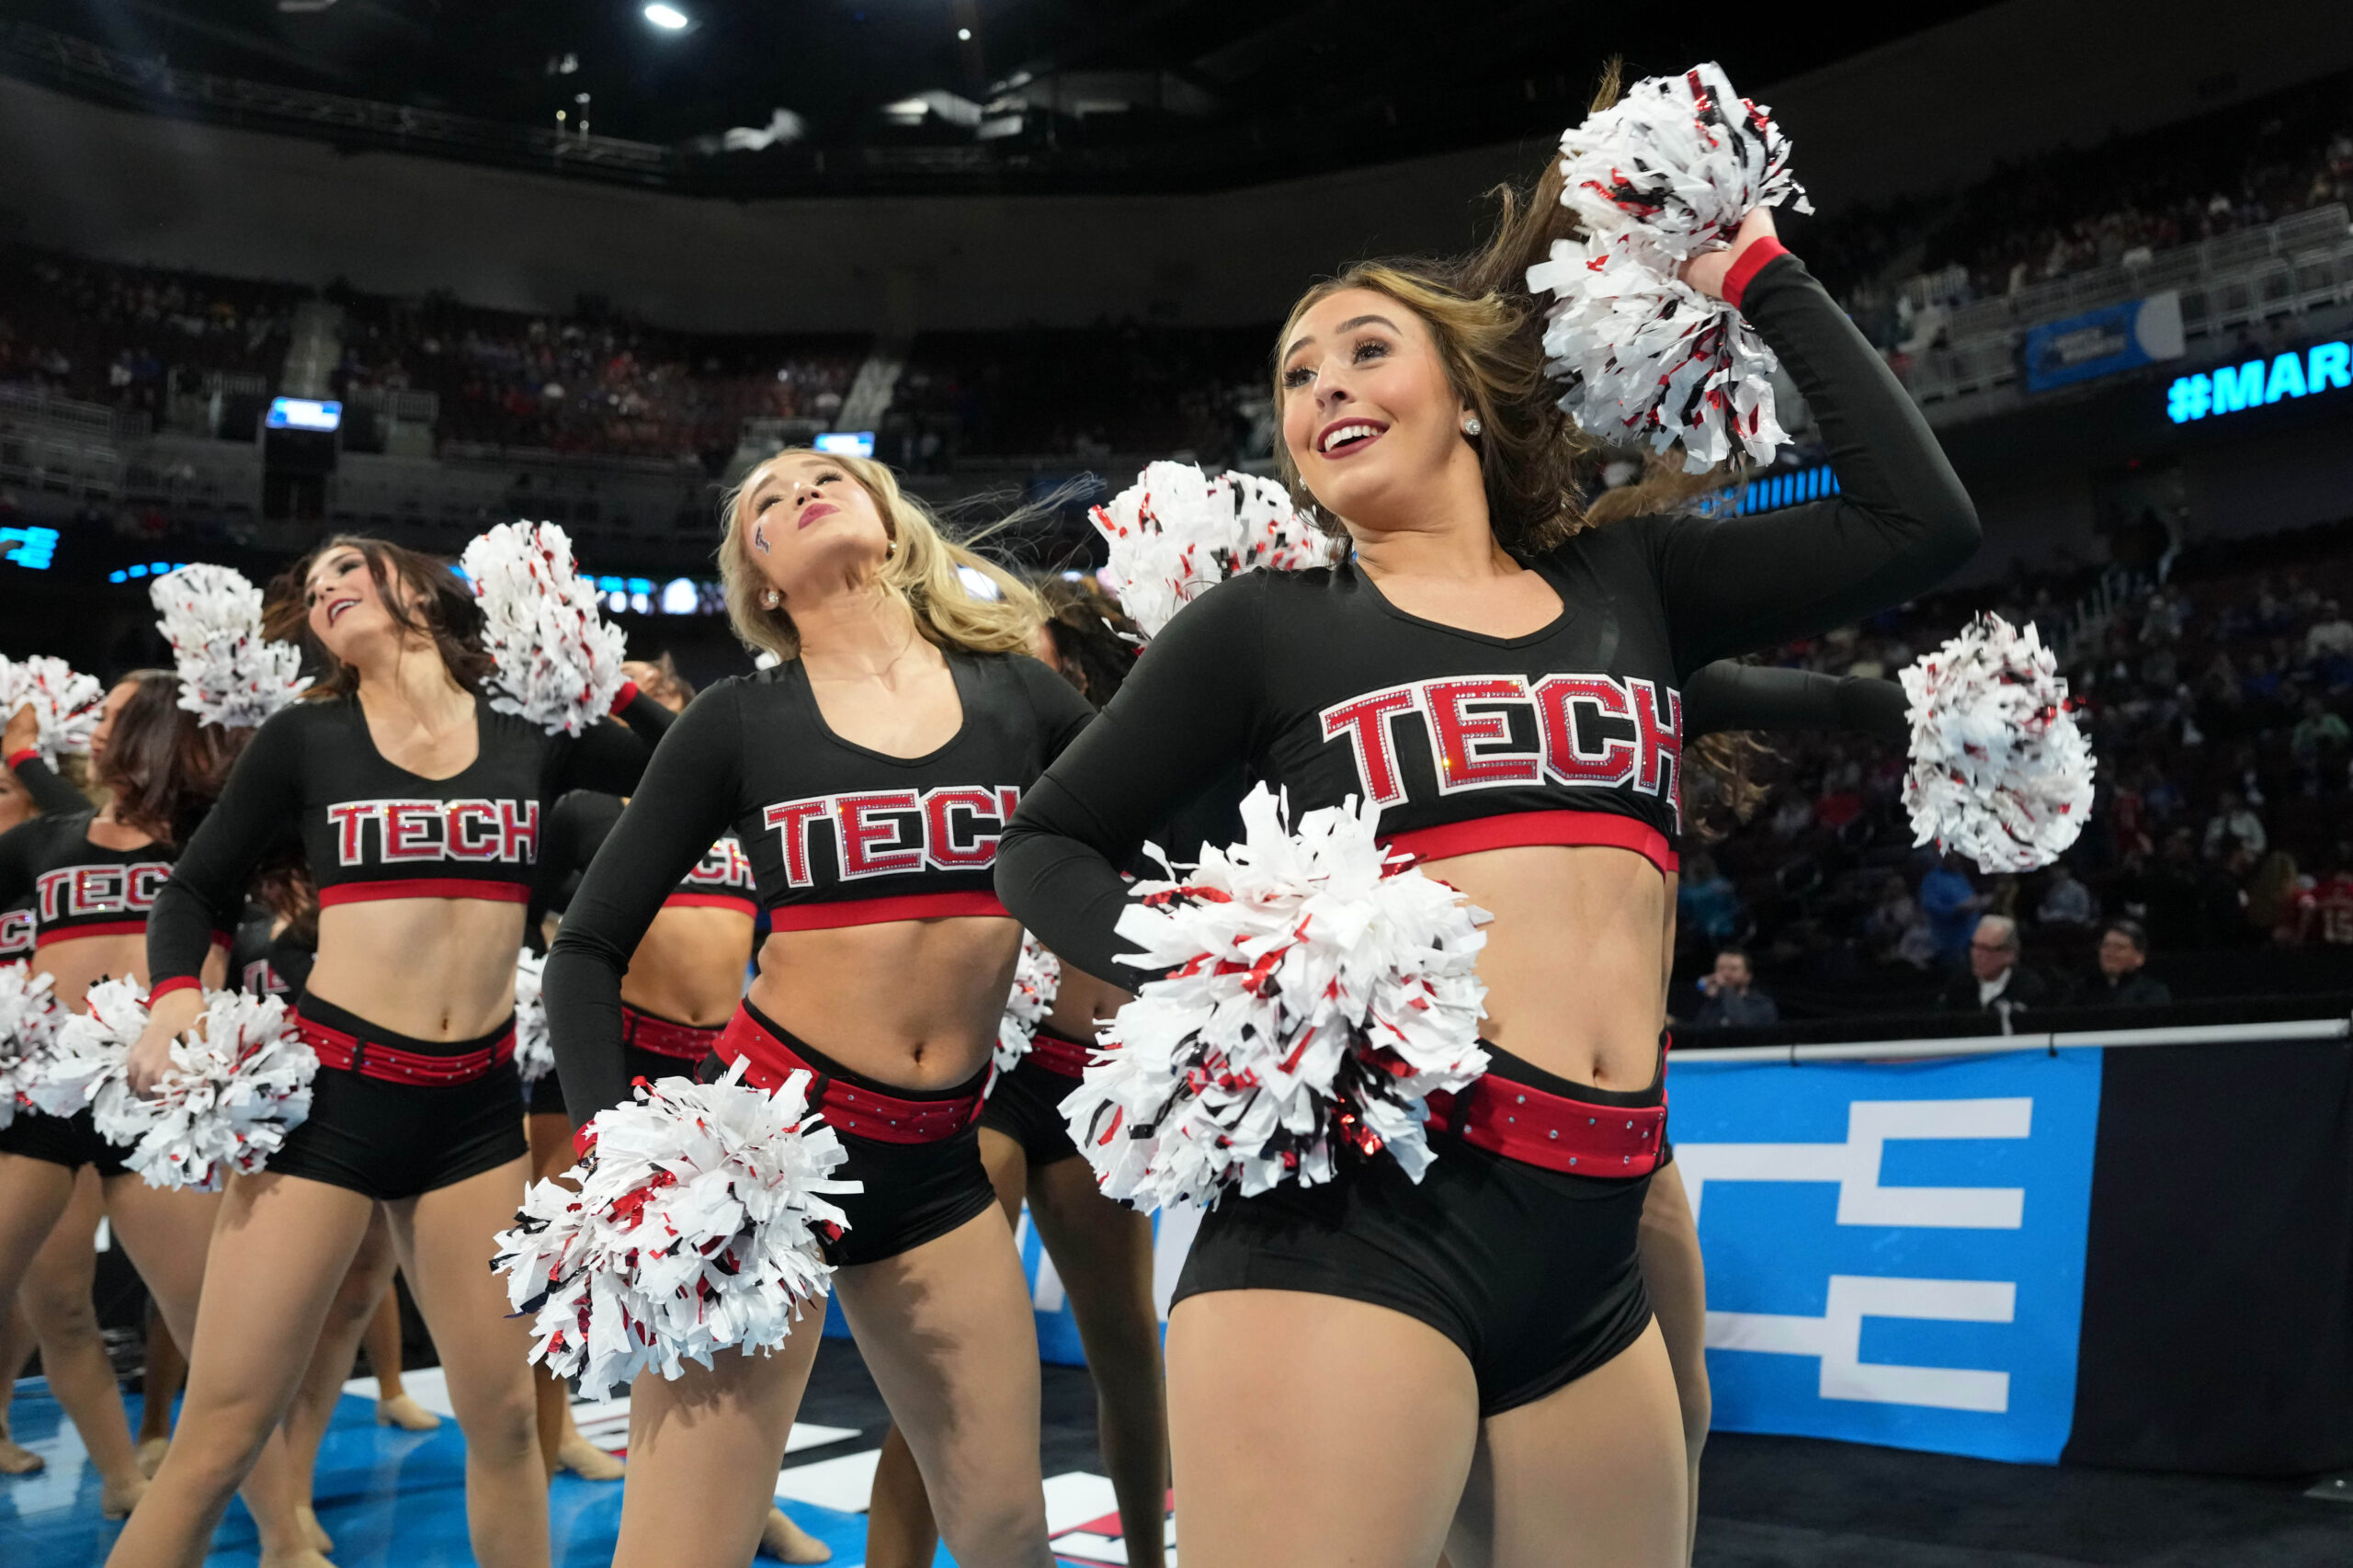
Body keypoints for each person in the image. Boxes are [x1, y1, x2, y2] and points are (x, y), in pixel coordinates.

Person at [996, 142, 1977, 1567]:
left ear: (1464, 396)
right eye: (1295, 374)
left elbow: (1920, 520)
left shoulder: (1628, 582)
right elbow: (1048, 846)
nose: (1324, 383)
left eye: (1365, 349)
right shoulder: (1263, 629)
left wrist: (1759, 269)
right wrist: (1218, 971)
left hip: (1596, 1237)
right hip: (1358, 1220)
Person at [546, 449, 1095, 1568]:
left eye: (823, 475)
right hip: (763, 1163)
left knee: (1006, 1532)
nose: (797, 490)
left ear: (892, 522)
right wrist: (616, 1154)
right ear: (760, 583)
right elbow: (585, 948)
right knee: (677, 1548)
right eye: (763, 504)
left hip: (939, 1159)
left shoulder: (1017, 691)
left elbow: (1157, 838)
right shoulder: (738, 721)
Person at [111, 536, 671, 1568]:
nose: (323, 590)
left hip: (474, 1113)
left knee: (504, 1422)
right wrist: (173, 994)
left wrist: (606, 682)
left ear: (417, 587)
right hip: (331, 1102)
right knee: (223, 1433)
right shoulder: (305, 736)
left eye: (346, 572)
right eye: (312, 586)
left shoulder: (528, 729)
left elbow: (685, 768)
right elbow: (194, 885)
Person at [865, 583, 1166, 1568]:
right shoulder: (975, 745)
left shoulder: (1145, 759)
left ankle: (1150, 1558)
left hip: (1099, 1083)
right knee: (942, 1373)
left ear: (1078, 661)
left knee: (1127, 1355)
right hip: (992, 1072)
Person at [0, 672, 323, 1562]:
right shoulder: (41, 841)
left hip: (163, 1111)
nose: (94, 728)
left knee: (215, 1341)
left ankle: (284, 1536)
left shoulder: (217, 845)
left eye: (112, 716)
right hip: (41, 1097)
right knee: (38, 1304)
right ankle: (130, 1474)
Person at [528, 655, 831, 1563]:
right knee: (568, 1262)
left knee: (717, 1298)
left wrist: (637, 697)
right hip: (609, 1062)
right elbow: (537, 919)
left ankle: (743, 1498)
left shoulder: (738, 815)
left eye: (656, 696)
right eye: (624, 698)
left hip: (716, 1069)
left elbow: (687, 749)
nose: (643, 713)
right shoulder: (587, 812)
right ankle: (550, 1436)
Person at [1937, 915, 2052, 1020]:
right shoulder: (1959, 983)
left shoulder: (2029, 987)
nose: (1976, 954)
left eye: (1985, 949)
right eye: (1974, 946)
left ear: (2009, 954)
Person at [2063, 918, 2171, 1006]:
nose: (2109, 953)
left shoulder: (2153, 992)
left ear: (2139, 957)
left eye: (2119, 948)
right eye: (2105, 946)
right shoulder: (2082, 989)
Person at [1917, 857, 1985, 967]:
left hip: (1972, 938)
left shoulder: (1960, 876)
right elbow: (1931, 908)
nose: (1955, 859)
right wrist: (1956, 909)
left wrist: (1980, 902)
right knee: (1957, 978)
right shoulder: (1932, 879)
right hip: (1950, 943)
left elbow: (1971, 898)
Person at [1688, 949, 1777, 1028]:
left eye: (1733, 969)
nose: (1726, 974)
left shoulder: (1762, 1004)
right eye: (1721, 968)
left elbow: (1742, 1026)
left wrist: (1725, 988)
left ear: (1747, 977)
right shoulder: (1711, 1006)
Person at [2035, 862, 2097, 930]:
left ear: (2067, 870)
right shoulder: (2050, 890)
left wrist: (2066, 918)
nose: (2054, 872)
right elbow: (2044, 913)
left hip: (2074, 927)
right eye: (2052, 869)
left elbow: (2084, 915)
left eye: (2058, 869)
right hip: (2053, 926)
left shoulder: (2079, 889)